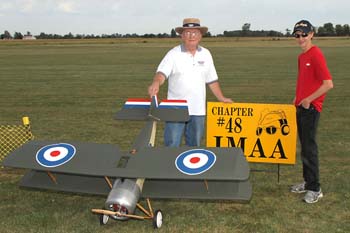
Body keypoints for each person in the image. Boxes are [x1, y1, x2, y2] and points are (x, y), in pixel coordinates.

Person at [148, 18, 232, 147]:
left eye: (194, 32)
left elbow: (212, 80)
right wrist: (156, 83)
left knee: (194, 148)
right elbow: (161, 74)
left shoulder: (206, 54)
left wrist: (221, 98)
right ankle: (169, 168)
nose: (191, 36)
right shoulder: (173, 54)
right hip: (175, 109)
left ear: (200, 35)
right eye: (187, 32)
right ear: (182, 35)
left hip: (198, 110)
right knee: (171, 146)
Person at [290, 20, 333, 203]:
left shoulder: (316, 54)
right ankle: (308, 183)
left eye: (304, 35)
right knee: (304, 149)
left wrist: (309, 100)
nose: (301, 38)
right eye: (297, 35)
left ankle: (315, 189)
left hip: (311, 108)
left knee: (309, 149)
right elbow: (304, 81)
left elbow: (328, 84)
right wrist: (297, 97)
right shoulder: (302, 57)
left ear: (312, 34)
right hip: (301, 106)